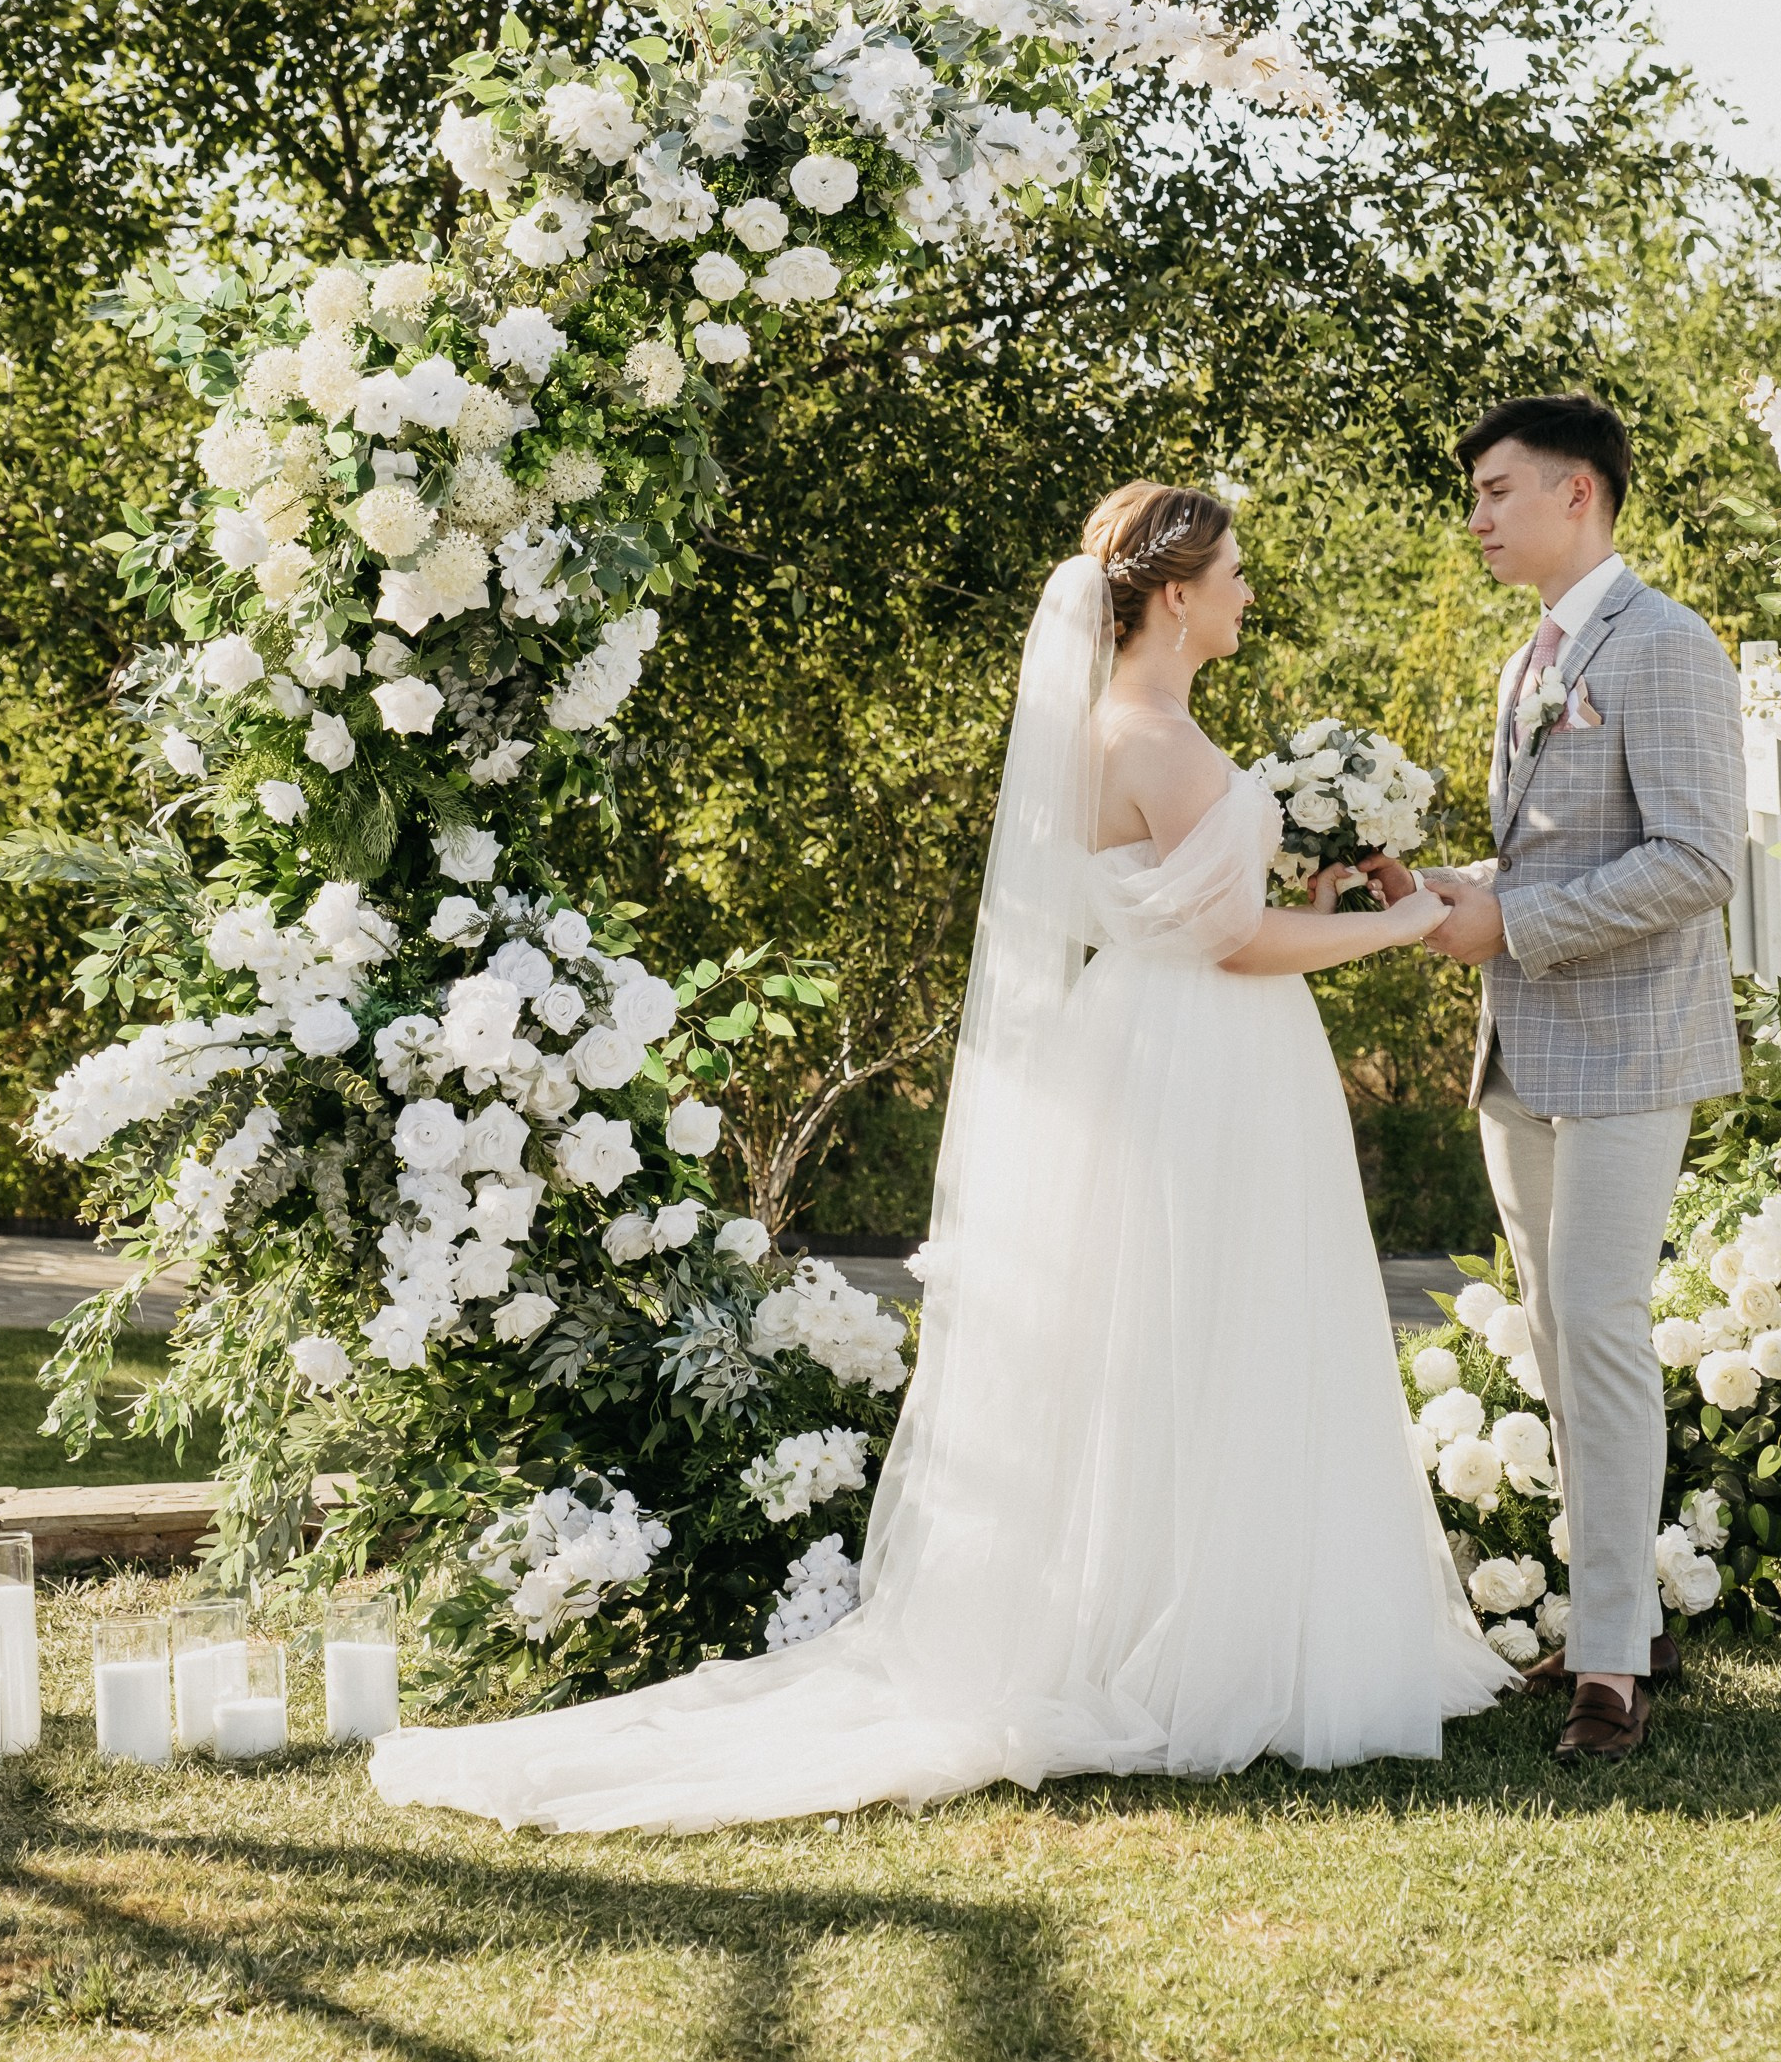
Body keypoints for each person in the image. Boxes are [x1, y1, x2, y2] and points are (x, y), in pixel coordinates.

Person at [372, 480, 1506, 1833]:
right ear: (1180, 593)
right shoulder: (1161, 737)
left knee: (1158, 1335)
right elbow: (1234, 946)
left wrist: (1304, 899)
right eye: (1239, 572)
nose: (1252, 591)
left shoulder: (1108, 731)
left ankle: (1154, 1613)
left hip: (1142, 1047)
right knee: (1218, 1323)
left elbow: (1192, 913)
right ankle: (1221, 1641)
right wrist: (1399, 925)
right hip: (1210, 1055)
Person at [1403, 396, 1743, 1767]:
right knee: (1555, 1334)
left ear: (1578, 496)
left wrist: (1517, 925)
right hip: (1522, 1051)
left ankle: (1609, 1665)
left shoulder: (1662, 646)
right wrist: (1429, 891)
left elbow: (1697, 862)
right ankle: (1624, 1615)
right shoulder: (1530, 654)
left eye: (1496, 492)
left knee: (1598, 1326)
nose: (1477, 519)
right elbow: (1546, 858)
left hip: (1626, 1048)